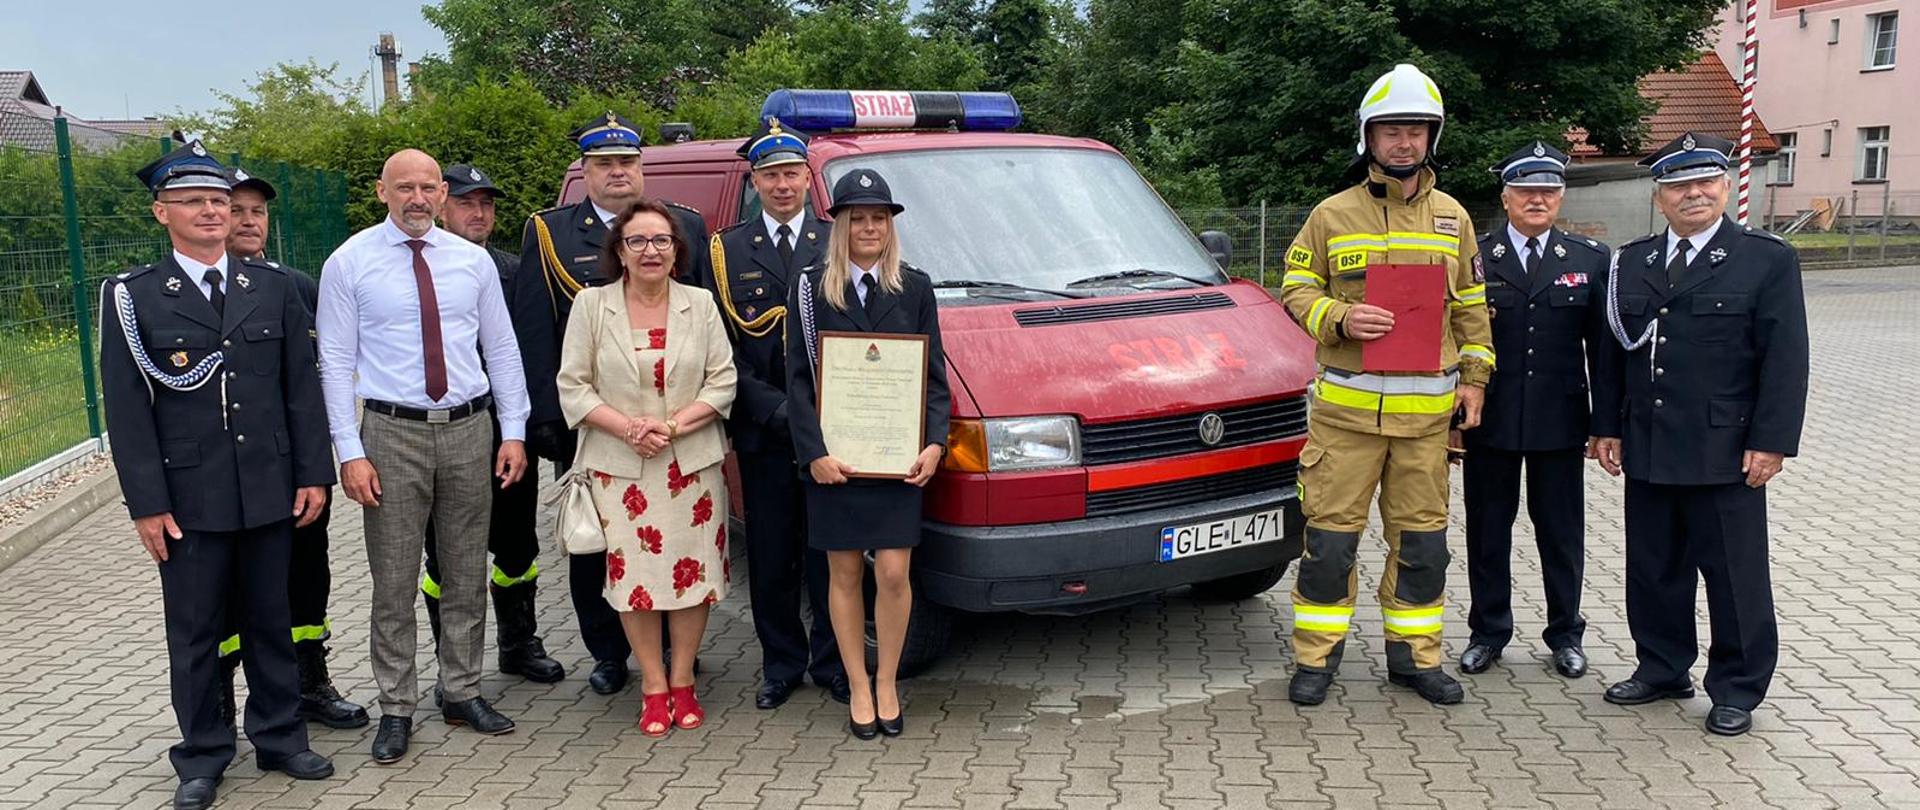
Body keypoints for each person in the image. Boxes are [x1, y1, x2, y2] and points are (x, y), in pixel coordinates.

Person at [102, 141, 335, 810]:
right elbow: (127, 409)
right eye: (193, 201)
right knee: (197, 633)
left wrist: (311, 474)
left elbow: (301, 388)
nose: (211, 211)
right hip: (189, 494)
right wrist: (146, 504)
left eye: (218, 201)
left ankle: (281, 738)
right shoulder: (134, 297)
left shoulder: (271, 287)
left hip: (268, 484)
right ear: (161, 213)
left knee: (271, 620)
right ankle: (203, 755)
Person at [1278, 63, 1494, 707]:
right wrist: (1340, 316)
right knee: (1329, 548)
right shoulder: (1330, 214)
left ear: (1433, 138)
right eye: (1392, 130)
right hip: (1343, 425)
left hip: (1425, 428)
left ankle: (1414, 660)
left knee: (1424, 550)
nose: (1405, 142)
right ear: (1368, 138)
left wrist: (1476, 380)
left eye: (1417, 131)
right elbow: (1294, 288)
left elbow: (1473, 309)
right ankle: (1316, 659)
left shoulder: (1454, 219)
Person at [1590, 131, 1809, 737]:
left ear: (1724, 186)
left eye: (1705, 181)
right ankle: (1662, 667)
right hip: (1650, 444)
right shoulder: (1633, 262)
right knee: (1654, 566)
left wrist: (1771, 441)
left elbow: (1786, 358)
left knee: (1735, 574)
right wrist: (1606, 426)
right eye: (1679, 185)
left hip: (1725, 449)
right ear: (1659, 196)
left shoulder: (1764, 258)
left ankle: (1737, 686)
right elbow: (1613, 356)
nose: (1694, 193)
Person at [316, 148, 530, 763]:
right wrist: (349, 450)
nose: (417, 198)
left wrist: (511, 430)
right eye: (403, 187)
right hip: (390, 433)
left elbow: (503, 349)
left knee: (465, 572)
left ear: (442, 194)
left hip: (470, 429)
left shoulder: (472, 263)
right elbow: (334, 363)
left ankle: (461, 691)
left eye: (428, 188)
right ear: (382, 191)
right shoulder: (349, 262)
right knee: (394, 578)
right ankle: (396, 706)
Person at [510, 112, 714, 696]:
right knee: (595, 545)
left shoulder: (684, 226)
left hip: (676, 425)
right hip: (593, 426)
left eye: (627, 162)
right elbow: (536, 332)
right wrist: (546, 420)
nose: (617, 173)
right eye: (604, 164)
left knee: (674, 539)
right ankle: (607, 652)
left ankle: (676, 652)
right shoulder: (550, 232)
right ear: (586, 171)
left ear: (641, 168)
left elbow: (698, 319)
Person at [556, 198, 737, 736]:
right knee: (635, 580)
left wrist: (674, 425)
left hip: (690, 465)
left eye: (661, 240)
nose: (650, 250)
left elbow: (723, 380)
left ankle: (683, 679)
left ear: (677, 250)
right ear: (620, 251)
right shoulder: (591, 306)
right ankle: (653, 684)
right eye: (637, 241)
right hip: (621, 467)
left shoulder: (700, 303)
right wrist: (630, 426)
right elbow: (573, 384)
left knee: (692, 577)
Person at [785, 169, 950, 739]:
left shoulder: (917, 286)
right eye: (859, 217)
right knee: (845, 571)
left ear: (890, 225)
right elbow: (799, 381)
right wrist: (815, 455)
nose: (870, 226)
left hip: (896, 462)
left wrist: (935, 442)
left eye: (879, 217)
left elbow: (933, 378)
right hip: (837, 465)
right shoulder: (810, 287)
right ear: (842, 225)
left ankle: (888, 680)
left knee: (897, 574)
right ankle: (857, 682)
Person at [212, 167, 369, 729]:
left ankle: (309, 682)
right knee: (227, 587)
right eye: (236, 209)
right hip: (225, 471)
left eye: (257, 211)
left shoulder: (296, 286)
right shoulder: (192, 289)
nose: (248, 220)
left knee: (307, 576)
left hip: (293, 465)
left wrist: (320, 466)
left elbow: (320, 381)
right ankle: (223, 703)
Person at [705, 118, 850, 709]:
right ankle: (781, 665)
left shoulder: (835, 238)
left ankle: (833, 663)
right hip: (765, 431)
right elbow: (717, 349)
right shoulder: (727, 249)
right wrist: (775, 412)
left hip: (831, 432)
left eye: (792, 173)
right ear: (754, 181)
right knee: (771, 558)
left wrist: (817, 417)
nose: (783, 185)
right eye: (771, 175)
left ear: (807, 178)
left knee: (831, 556)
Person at [1457, 142, 1608, 680]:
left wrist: (1605, 425)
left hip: (1560, 423)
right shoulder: (1476, 257)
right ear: (1507, 196)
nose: (1537, 199)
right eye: (1526, 190)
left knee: (1561, 535)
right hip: (1490, 421)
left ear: (1561, 195)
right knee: (1487, 531)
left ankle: (1565, 634)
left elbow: (1604, 352)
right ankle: (1488, 632)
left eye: (1547, 190)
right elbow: (1454, 339)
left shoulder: (1591, 260)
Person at [419, 164, 566, 687]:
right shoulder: (419, 268)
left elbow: (532, 351)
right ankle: (450, 663)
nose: (478, 212)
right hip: (445, 431)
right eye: (465, 202)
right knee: (445, 552)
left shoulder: (515, 270)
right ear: (440, 204)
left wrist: (529, 427)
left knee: (517, 544)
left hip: (507, 432)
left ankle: (518, 643)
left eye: (486, 203)